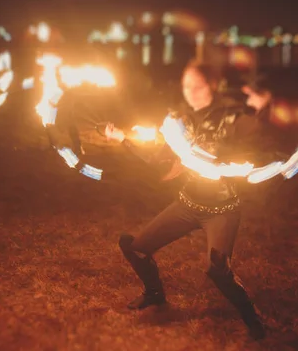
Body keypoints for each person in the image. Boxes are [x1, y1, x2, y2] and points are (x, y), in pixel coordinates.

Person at [105, 61, 275, 340]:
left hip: (221, 209)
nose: (191, 92)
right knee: (136, 248)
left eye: (198, 86)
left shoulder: (230, 116)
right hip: (188, 205)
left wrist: (262, 110)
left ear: (213, 86)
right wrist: (124, 138)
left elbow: (256, 137)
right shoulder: (181, 119)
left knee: (217, 269)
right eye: (186, 86)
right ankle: (155, 294)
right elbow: (159, 157)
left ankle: (252, 317)